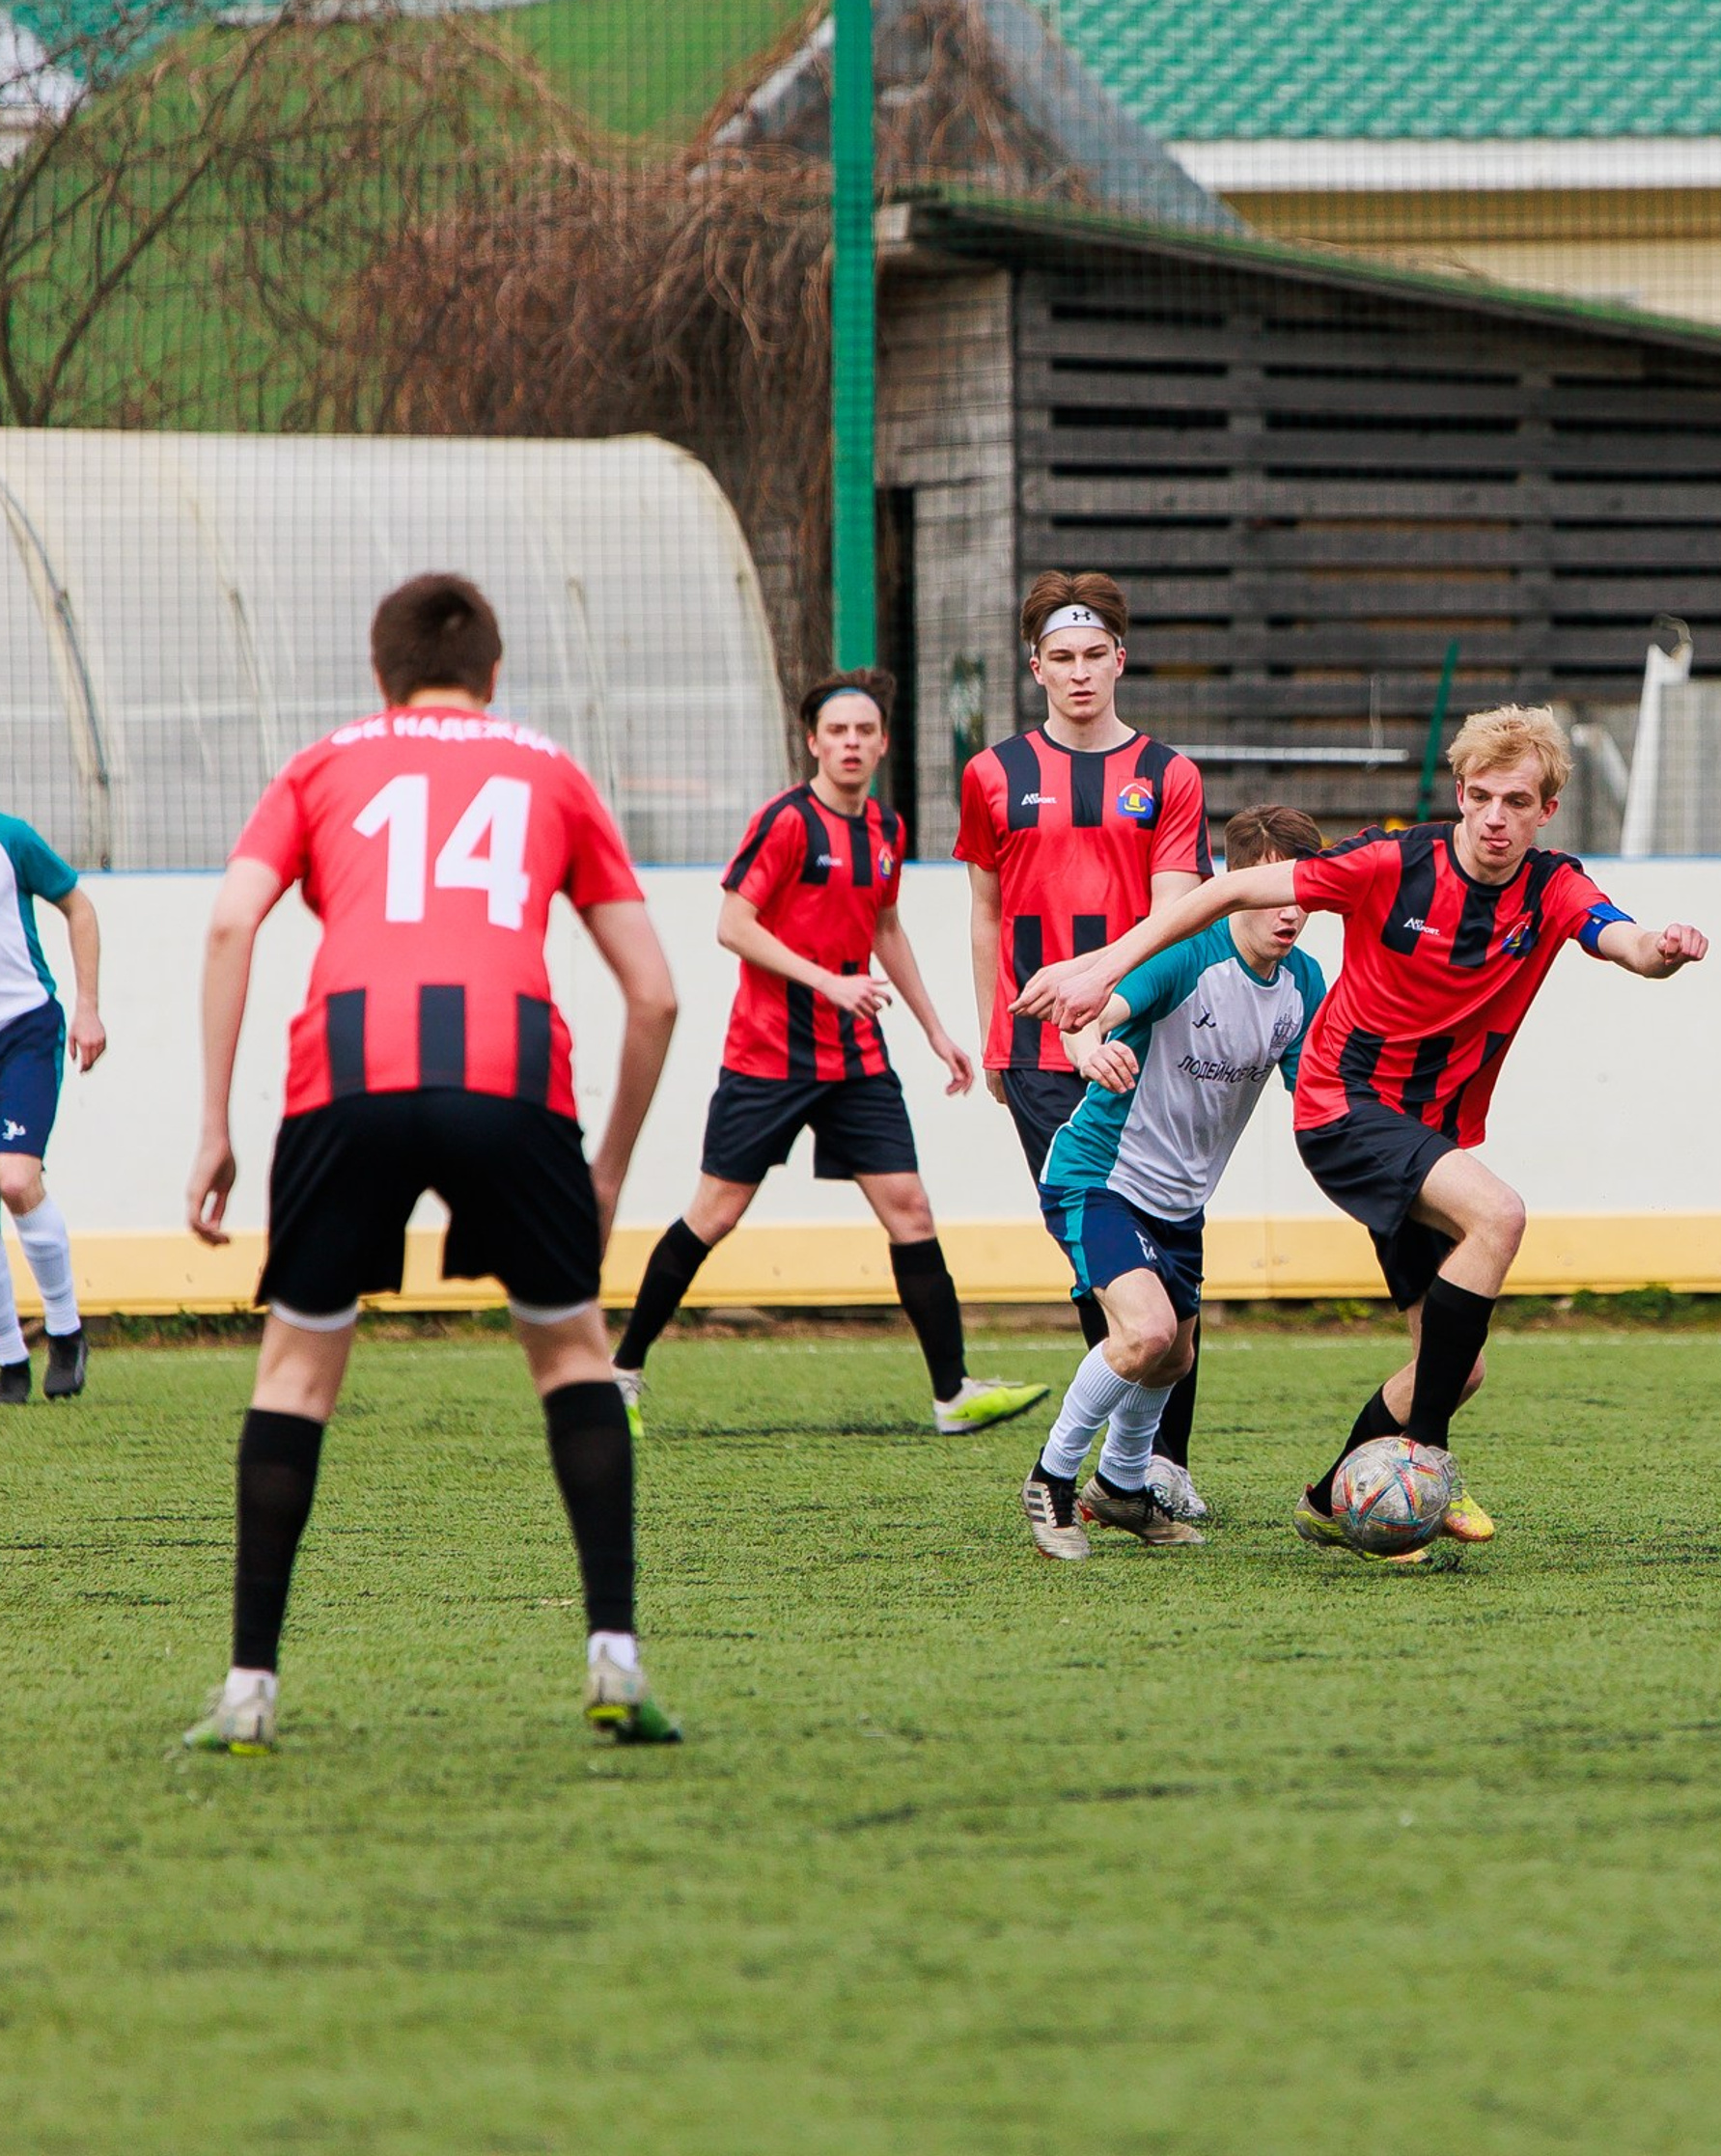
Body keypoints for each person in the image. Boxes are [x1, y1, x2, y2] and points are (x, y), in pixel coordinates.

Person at [180, 573, 683, 1753]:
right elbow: (655, 992)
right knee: (571, 1354)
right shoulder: (551, 769)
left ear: (381, 674)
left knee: (296, 1375)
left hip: (345, 1069)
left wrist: (215, 1122)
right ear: (493, 674)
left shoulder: (320, 764)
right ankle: (612, 1654)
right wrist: (605, 1167)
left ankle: (250, 1688)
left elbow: (226, 924)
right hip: (511, 1072)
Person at [1017, 705, 1707, 1555]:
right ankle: (1427, 1463)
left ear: (1546, 809)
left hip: (1421, 1138)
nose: (1496, 817)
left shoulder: (1554, 888)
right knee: (1500, 1215)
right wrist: (1096, 972)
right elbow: (1227, 888)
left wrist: (1663, 949)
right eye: (1482, 797)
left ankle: (1331, 1497)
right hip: (1345, 1108)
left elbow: (1623, 941)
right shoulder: (1392, 863)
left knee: (1455, 1371)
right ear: (1459, 794)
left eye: (1517, 802)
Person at [612, 674, 1048, 1438]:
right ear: (813, 742)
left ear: (882, 743)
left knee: (909, 1209)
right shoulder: (784, 823)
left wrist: (936, 1030)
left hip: (857, 1063)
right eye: (837, 731)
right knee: (715, 1212)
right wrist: (828, 982)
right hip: (769, 1057)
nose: (851, 742)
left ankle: (953, 1394)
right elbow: (732, 924)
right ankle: (620, 1374)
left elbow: (886, 931)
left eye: (865, 731)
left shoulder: (884, 827)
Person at [956, 569, 1216, 1516]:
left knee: (1170, 1249)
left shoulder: (1169, 775)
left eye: (1092, 655)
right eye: (1058, 657)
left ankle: (1159, 1463)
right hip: (1037, 1058)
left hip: (1141, 1046)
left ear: (1120, 659)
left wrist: (1106, 1001)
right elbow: (985, 911)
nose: (1077, 673)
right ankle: (1123, 1463)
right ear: (1034, 667)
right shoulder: (992, 774)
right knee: (1095, 1255)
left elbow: (1175, 916)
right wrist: (997, 1031)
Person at [1020, 803, 1326, 1560]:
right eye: (1269, 889)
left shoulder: (1303, 981)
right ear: (1228, 889)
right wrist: (1089, 1048)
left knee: (1176, 1355)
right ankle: (1051, 1481)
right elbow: (1097, 1002)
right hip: (1098, 1176)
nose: (1290, 909)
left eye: (1303, 891)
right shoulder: (1189, 956)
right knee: (1147, 1333)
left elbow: (1318, 1088)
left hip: (1181, 1204)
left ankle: (1122, 1489)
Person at [0, 813, 104, 1403]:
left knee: (15, 1179)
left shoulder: (11, 838)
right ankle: (8, 1357)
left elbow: (79, 906)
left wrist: (87, 1007)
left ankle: (65, 1330)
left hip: (24, 1027)